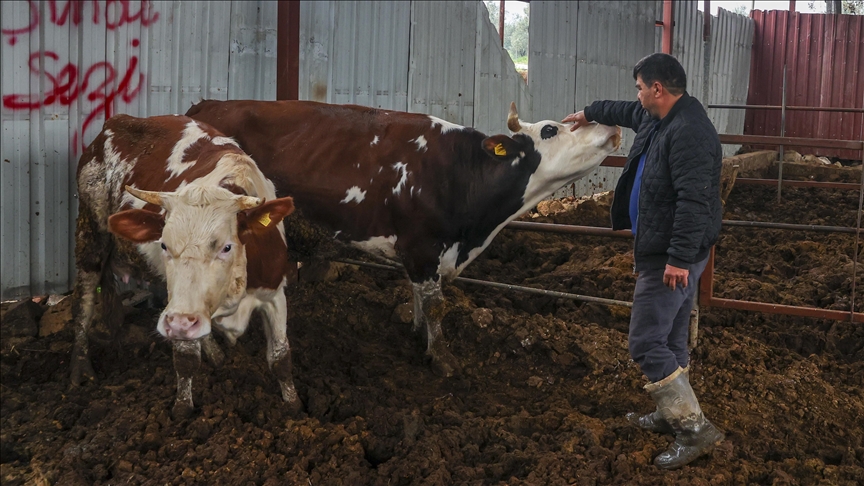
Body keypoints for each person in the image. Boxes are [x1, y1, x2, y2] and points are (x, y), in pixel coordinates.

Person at [562, 52, 724, 470]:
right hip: (669, 250)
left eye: (640, 87)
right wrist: (588, 113)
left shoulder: (689, 132)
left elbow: (695, 201)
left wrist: (678, 259)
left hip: (670, 257)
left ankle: (693, 429)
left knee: (646, 341)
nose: (637, 95)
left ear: (658, 89)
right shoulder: (660, 115)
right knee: (669, 337)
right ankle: (674, 413)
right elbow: (625, 110)